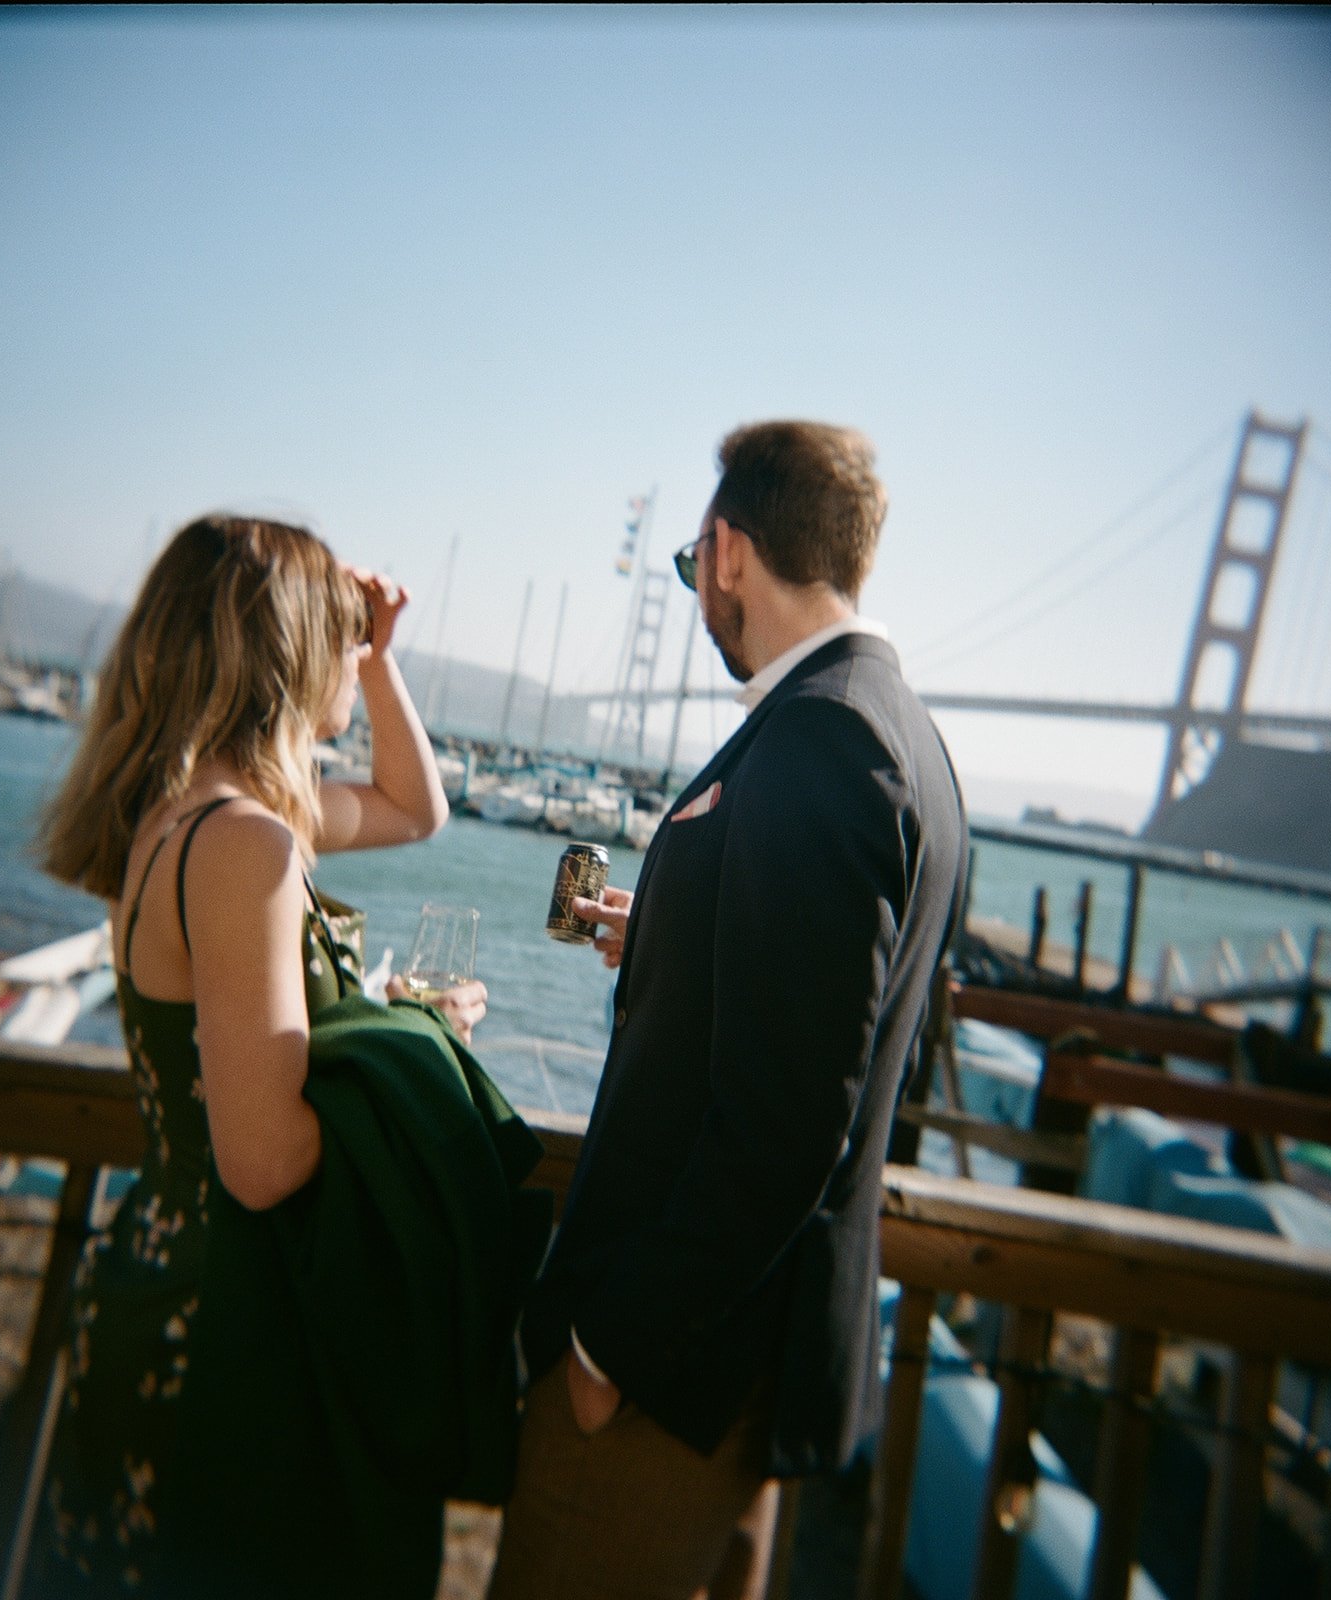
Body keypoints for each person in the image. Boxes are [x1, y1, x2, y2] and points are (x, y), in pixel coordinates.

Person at [488, 422, 967, 1599]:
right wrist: (665, 935)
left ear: (727, 551)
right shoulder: (910, 739)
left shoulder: (824, 739)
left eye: (692, 565)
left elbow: (793, 1116)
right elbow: (852, 1032)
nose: (697, 590)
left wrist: (610, 1349)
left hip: (671, 1381)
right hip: (750, 1369)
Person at [31, 514, 486, 1594]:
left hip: (156, 1276)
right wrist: (420, 1038)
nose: (351, 650)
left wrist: (379, 660)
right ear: (286, 647)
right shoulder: (248, 843)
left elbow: (416, 809)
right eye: (337, 633)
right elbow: (265, 1158)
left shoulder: (189, 816)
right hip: (228, 1333)